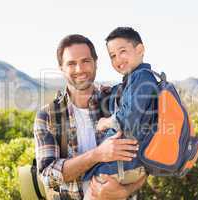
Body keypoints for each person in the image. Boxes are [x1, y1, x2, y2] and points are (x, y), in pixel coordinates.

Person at [34, 34, 147, 200]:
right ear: (61, 68)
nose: (80, 69)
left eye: (86, 61)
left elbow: (146, 157)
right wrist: (98, 154)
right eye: (71, 63)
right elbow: (48, 176)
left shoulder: (117, 99)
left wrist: (125, 191)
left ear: (95, 62)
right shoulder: (48, 116)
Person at [83, 27, 159, 199]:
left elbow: (130, 120)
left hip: (121, 165)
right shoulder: (132, 80)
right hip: (121, 165)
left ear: (140, 50)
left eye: (122, 51)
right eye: (112, 56)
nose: (118, 59)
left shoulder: (142, 78)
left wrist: (106, 122)